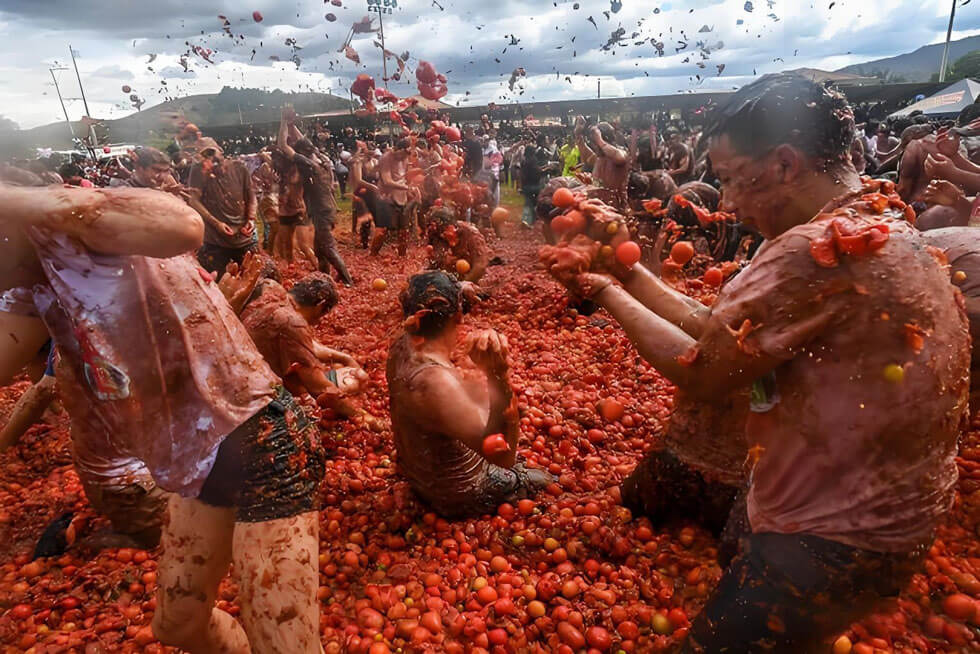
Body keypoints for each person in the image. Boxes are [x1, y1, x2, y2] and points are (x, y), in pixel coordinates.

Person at [542, 74, 969, 652]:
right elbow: (724, 328)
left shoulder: (815, 250)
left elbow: (703, 369)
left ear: (785, 164)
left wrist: (606, 294)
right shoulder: (876, 220)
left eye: (729, 180)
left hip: (833, 539)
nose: (730, 202)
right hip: (877, 517)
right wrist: (626, 272)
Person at [0, 183, 325, 653]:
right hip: (196, 463)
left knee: (284, 641)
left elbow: (182, 225)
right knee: (177, 626)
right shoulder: (30, 280)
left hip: (263, 439)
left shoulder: (80, 226)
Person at [386, 271, 552, 518]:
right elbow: (503, 457)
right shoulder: (437, 383)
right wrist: (498, 375)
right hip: (458, 494)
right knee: (548, 481)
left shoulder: (401, 345)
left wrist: (459, 288)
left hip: (419, 476)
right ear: (459, 316)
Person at [278, 109, 353, 285]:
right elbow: (304, 142)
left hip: (320, 210)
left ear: (301, 153)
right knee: (320, 251)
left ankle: (348, 279)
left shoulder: (307, 164)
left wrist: (282, 121)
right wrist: (291, 125)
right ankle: (324, 279)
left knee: (328, 247)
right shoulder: (322, 159)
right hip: (328, 206)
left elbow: (283, 145)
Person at [185, 139, 259, 277]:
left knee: (253, 279)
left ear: (221, 150)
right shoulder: (198, 171)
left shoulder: (239, 167)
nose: (210, 159)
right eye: (205, 156)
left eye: (212, 153)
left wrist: (251, 218)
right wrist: (216, 223)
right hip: (215, 240)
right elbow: (194, 200)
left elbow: (251, 196)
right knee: (217, 282)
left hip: (245, 237)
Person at [374, 138, 419, 256]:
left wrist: (412, 187)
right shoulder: (386, 158)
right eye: (405, 154)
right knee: (382, 230)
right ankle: (373, 255)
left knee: (403, 230)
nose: (406, 157)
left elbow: (405, 177)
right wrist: (405, 188)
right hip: (386, 196)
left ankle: (402, 256)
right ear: (398, 150)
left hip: (401, 196)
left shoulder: (405, 157)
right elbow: (387, 181)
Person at [426, 207, 491, 283]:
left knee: (462, 265)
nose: (442, 235)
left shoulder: (471, 234)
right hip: (452, 275)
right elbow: (437, 262)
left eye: (444, 231)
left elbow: (480, 266)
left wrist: (464, 284)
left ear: (451, 226)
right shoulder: (438, 236)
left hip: (470, 273)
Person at [575, 118, 630, 207]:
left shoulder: (621, 153)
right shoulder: (599, 158)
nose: (594, 146)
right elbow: (585, 151)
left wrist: (599, 140)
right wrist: (578, 135)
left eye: (594, 143)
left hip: (616, 206)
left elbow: (620, 158)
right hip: (597, 204)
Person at [521, 134, 553, 227]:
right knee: (533, 202)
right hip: (534, 184)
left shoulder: (524, 160)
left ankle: (531, 218)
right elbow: (536, 171)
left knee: (529, 201)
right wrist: (547, 169)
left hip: (526, 184)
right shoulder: (533, 160)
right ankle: (527, 220)